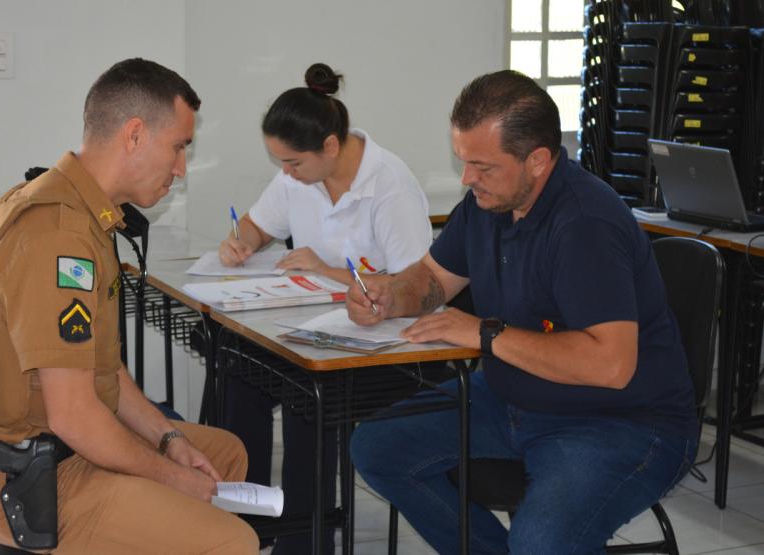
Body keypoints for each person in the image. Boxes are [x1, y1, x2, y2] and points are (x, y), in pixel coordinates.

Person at [347, 70, 698, 554]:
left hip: (621, 422)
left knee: (541, 542)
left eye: (483, 167)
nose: (467, 179)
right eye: (463, 162)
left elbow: (610, 365)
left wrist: (485, 334)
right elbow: (431, 280)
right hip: (511, 398)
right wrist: (390, 295)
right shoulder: (486, 203)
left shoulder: (585, 224)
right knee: (376, 447)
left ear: (537, 161)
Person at [0, 58, 257, 554]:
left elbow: (105, 370)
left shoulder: (81, 214)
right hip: (30, 482)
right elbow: (74, 414)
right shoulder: (59, 233)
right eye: (179, 147)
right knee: (234, 543)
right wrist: (170, 476)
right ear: (135, 134)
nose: (182, 169)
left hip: (56, 451)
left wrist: (169, 441)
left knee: (222, 454)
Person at [218, 63, 435, 554]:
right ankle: (246, 521)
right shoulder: (299, 176)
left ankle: (304, 541)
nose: (285, 173)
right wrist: (241, 243)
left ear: (331, 147)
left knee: (303, 394)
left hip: (388, 347)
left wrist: (327, 271)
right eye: (280, 163)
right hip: (319, 330)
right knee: (236, 371)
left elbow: (417, 288)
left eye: (293, 163)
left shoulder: (389, 187)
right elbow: (255, 224)